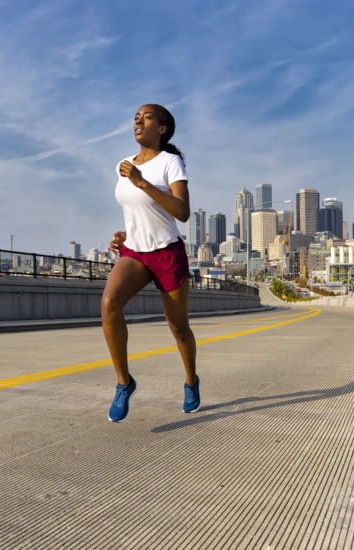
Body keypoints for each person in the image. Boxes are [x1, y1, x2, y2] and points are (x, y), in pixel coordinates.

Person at [102, 104, 199, 423]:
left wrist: (143, 182)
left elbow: (182, 212)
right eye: (135, 118)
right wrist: (124, 233)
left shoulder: (171, 162)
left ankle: (190, 382)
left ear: (162, 129)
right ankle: (123, 383)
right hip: (134, 251)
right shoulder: (125, 165)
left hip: (167, 252)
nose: (138, 121)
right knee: (109, 305)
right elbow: (137, 212)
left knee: (178, 327)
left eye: (147, 117)